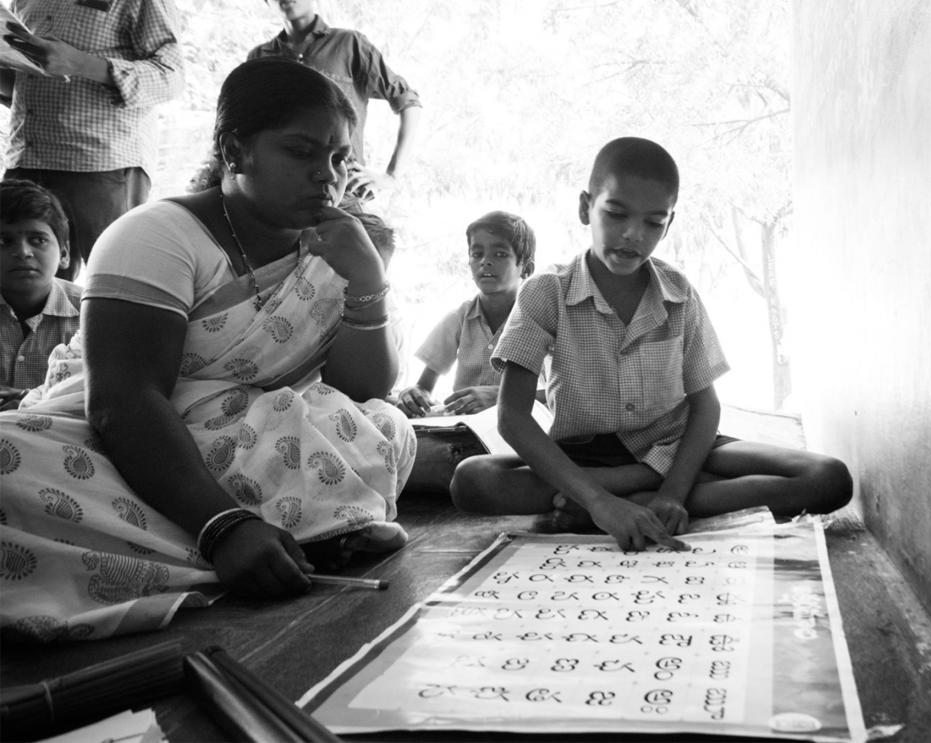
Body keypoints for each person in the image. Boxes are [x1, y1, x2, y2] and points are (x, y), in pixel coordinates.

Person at [0, 58, 416, 643]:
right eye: (301, 153)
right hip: (135, 445)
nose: (329, 176)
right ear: (235, 149)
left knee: (381, 424)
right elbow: (122, 401)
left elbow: (363, 389)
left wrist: (367, 281)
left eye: (340, 159)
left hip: (263, 447)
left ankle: (251, 537)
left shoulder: (336, 249)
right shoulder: (157, 235)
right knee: (5, 461)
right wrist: (223, 526)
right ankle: (279, 534)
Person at [451, 137, 852, 552]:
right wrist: (600, 500)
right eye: (616, 213)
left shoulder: (678, 293)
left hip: (676, 446)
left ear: (669, 223)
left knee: (827, 478)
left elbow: (706, 405)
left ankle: (640, 502)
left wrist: (673, 494)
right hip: (586, 461)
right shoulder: (546, 291)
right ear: (585, 207)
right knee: (473, 481)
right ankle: (630, 494)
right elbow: (512, 418)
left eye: (653, 222)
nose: (632, 235)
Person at [1, 0, 185, 280]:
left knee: (117, 283)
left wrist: (80, 63)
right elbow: (26, 82)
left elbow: (171, 77)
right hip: (25, 156)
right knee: (16, 288)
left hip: (98, 163)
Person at [248, 0, 421, 204]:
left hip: (341, 190)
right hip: (281, 190)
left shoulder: (350, 44)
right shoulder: (260, 58)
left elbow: (407, 101)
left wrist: (391, 176)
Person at [396, 210, 536, 418]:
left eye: (500, 254)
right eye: (477, 254)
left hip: (520, 432)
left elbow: (560, 394)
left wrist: (500, 396)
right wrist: (415, 395)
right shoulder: (459, 319)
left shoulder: (539, 320)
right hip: (464, 431)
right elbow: (424, 387)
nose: (485, 262)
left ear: (526, 268)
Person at [0, 179, 80, 410]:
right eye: (4, 241)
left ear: (64, 253)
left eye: (38, 240)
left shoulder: (92, 314)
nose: (23, 252)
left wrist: (29, 398)